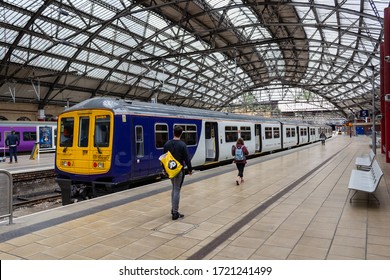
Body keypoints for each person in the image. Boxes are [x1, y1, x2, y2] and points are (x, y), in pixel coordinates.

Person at [163, 126, 193, 220]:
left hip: (170, 170)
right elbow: (187, 158)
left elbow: (164, 158)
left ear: (173, 132)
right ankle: (175, 213)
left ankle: (173, 209)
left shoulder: (167, 144)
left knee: (174, 188)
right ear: (181, 133)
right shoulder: (182, 145)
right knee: (177, 189)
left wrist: (164, 169)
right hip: (179, 171)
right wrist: (190, 169)